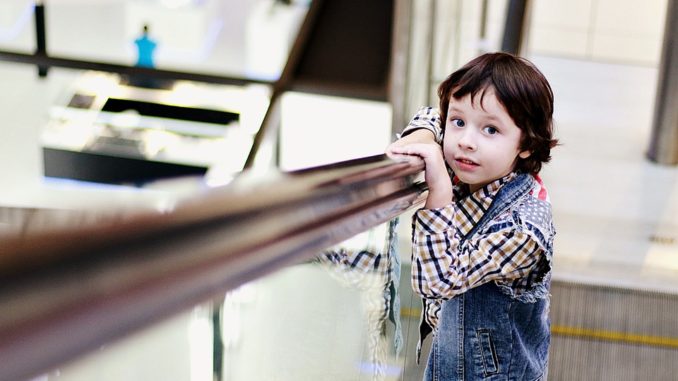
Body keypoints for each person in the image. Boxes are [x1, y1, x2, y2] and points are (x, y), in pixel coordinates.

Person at [387, 52, 558, 380]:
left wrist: (438, 190)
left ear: (527, 143)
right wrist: (424, 139)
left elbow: (437, 282)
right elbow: (431, 116)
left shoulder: (525, 229)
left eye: (491, 130)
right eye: (459, 122)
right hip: (450, 364)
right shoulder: (476, 172)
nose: (466, 142)